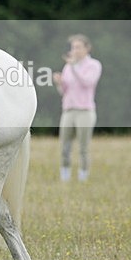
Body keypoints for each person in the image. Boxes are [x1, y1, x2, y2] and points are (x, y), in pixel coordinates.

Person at [52, 34, 102, 182]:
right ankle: (65, 177)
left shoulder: (94, 65)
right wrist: (59, 83)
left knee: (83, 147)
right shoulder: (68, 67)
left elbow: (88, 82)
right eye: (73, 47)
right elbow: (64, 91)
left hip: (85, 111)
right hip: (69, 110)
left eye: (78, 47)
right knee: (64, 146)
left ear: (87, 48)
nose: (75, 50)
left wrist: (74, 67)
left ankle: (83, 178)